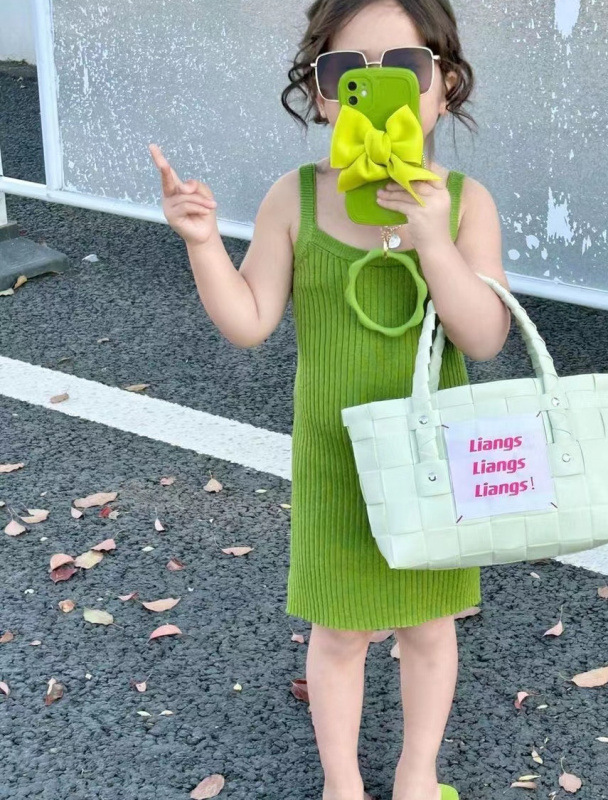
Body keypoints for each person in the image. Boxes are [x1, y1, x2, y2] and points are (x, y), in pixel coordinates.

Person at [149, 2, 511, 797]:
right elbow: (250, 320)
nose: (374, 89)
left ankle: (417, 774)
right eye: (347, 73)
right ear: (319, 94)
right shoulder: (296, 199)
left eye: (405, 69)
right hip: (333, 458)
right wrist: (204, 244)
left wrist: (433, 241)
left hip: (429, 460)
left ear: (445, 85)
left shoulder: (465, 203)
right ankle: (340, 783)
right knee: (340, 629)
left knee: (428, 624)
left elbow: (485, 335)